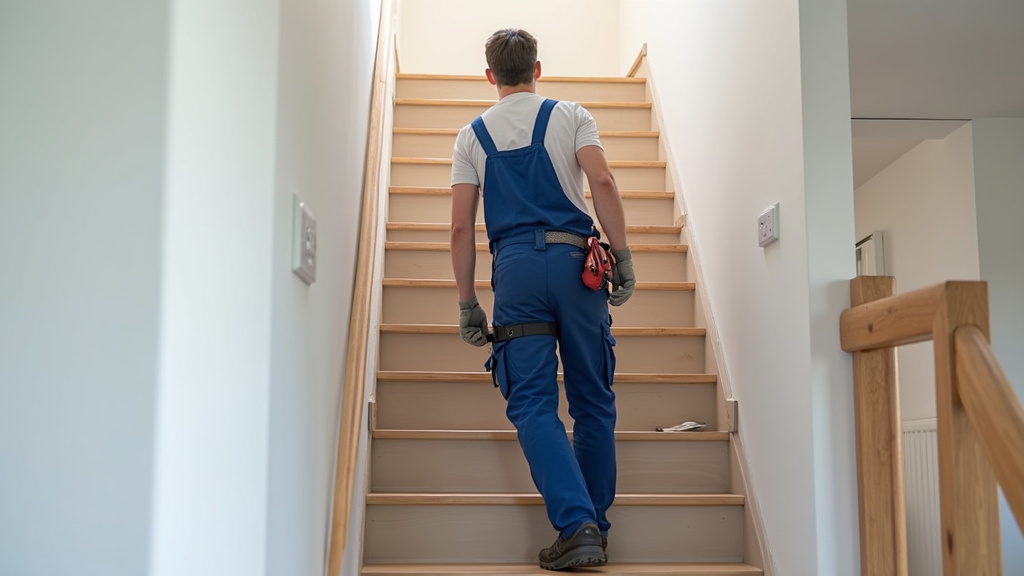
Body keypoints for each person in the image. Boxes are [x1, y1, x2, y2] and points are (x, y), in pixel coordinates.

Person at [449, 28, 636, 571]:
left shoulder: (471, 137)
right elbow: (601, 180)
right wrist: (621, 256)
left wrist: (468, 303)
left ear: (490, 76)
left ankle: (574, 525)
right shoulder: (573, 114)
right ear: (537, 67)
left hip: (517, 273)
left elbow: (461, 228)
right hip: (579, 268)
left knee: (531, 403)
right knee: (593, 399)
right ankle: (596, 529)